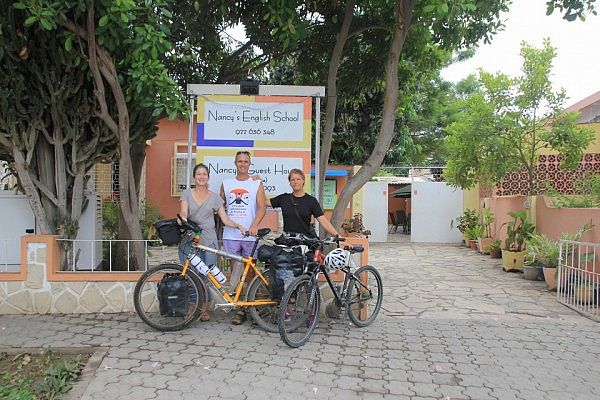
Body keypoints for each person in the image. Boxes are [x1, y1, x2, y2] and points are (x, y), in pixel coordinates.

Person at [179, 163, 245, 322]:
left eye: (204, 174)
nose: (201, 177)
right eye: (198, 174)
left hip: (208, 240)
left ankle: (203, 310)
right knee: (191, 274)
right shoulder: (187, 193)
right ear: (194, 177)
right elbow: (183, 212)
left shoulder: (215, 197)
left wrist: (238, 226)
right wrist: (182, 220)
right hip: (191, 238)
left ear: (208, 178)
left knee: (207, 276)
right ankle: (192, 307)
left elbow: (225, 219)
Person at [220, 150, 266, 325]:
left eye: (246, 161)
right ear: (235, 163)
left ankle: (252, 308)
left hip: (249, 236)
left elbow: (262, 207)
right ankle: (239, 309)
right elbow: (220, 206)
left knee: (251, 274)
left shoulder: (256, 183)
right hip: (231, 235)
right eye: (240, 161)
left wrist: (254, 225)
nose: (243, 164)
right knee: (236, 273)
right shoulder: (226, 183)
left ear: (249, 164)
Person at [267, 168, 340, 238]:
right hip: (288, 243)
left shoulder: (311, 201)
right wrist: (259, 184)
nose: (295, 182)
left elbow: (323, 221)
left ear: (303, 181)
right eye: (292, 180)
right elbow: (264, 202)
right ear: (290, 183)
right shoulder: (283, 198)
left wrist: (338, 236)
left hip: (305, 244)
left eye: (298, 179)